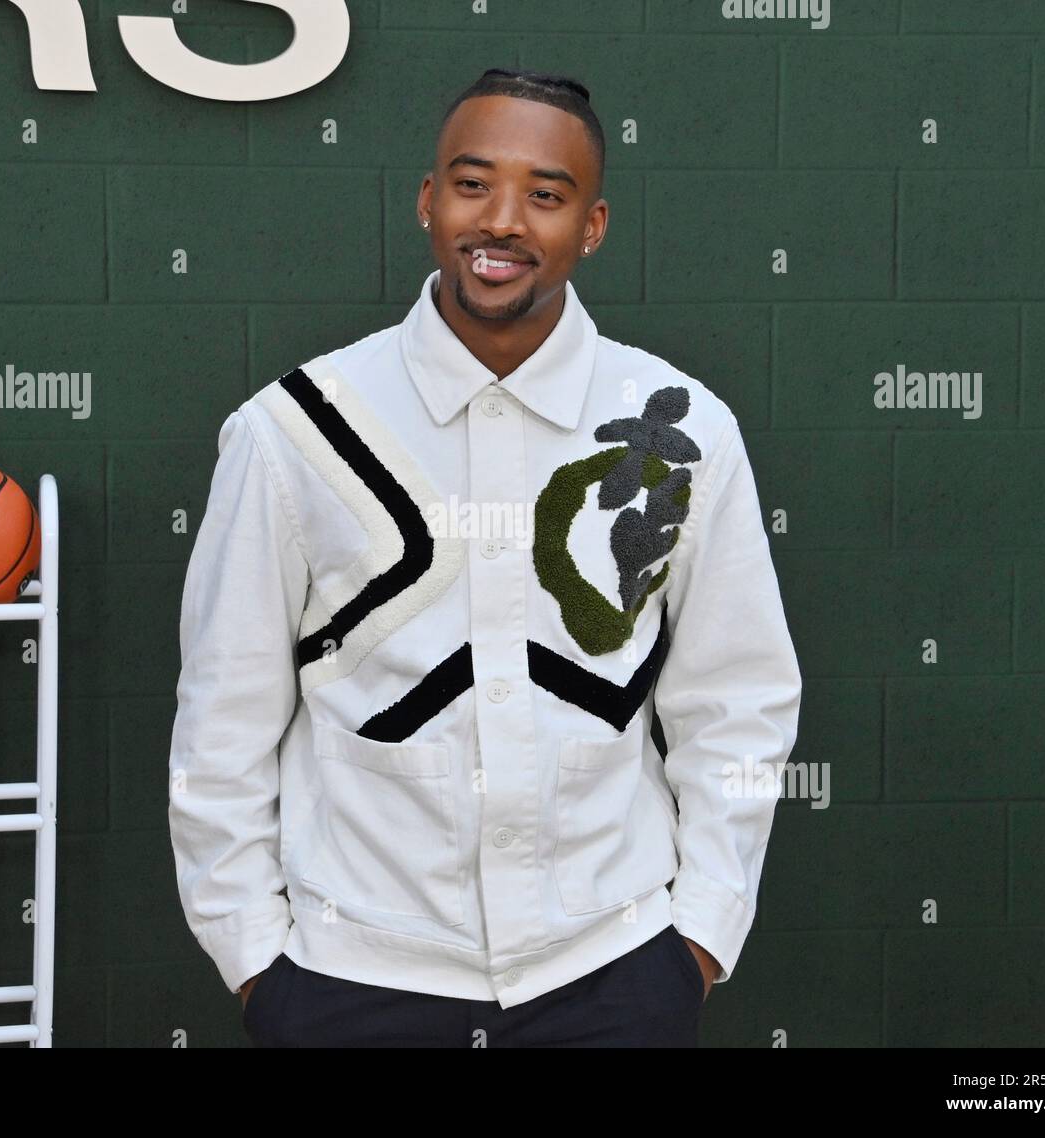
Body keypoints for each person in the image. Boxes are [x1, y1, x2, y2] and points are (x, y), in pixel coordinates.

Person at [168, 68, 802, 1048]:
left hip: (617, 974)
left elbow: (741, 708)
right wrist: (257, 963)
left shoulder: (684, 430)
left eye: (544, 195)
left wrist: (701, 938)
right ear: (428, 202)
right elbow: (222, 728)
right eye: (471, 184)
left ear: (589, 226)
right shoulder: (291, 432)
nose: (501, 220)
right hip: (350, 984)